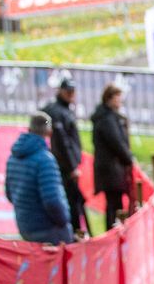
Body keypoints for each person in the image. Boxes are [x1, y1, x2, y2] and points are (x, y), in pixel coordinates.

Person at [5, 113, 74, 244]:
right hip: (48, 229)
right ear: (49, 131)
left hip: (25, 226)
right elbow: (53, 201)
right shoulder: (45, 159)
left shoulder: (13, 158)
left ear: (30, 128)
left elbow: (9, 194)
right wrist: (64, 220)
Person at [42, 79, 87, 235]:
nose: (71, 95)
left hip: (64, 163)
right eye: (68, 91)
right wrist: (72, 166)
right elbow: (62, 142)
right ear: (61, 91)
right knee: (72, 202)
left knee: (75, 201)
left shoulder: (63, 110)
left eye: (73, 92)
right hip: (63, 166)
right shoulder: (55, 111)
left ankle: (75, 232)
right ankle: (74, 234)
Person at [91, 84, 134, 232]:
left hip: (111, 169)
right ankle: (113, 233)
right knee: (113, 204)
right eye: (117, 97)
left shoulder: (110, 117)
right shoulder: (106, 119)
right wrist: (129, 159)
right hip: (110, 170)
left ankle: (115, 231)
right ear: (109, 98)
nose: (120, 101)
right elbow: (117, 143)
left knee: (114, 203)